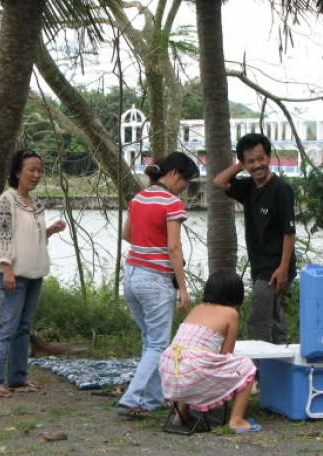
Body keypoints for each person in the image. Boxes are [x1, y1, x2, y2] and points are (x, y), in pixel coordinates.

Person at [118, 152, 197, 418]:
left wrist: (148, 248)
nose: (185, 187)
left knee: (150, 342)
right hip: (155, 280)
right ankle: (132, 400)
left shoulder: (139, 198)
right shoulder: (171, 203)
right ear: (174, 174)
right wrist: (183, 289)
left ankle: (153, 400)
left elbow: (126, 234)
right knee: (158, 344)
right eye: (186, 181)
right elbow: (174, 248)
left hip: (131, 275)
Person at [0, 149, 66, 398]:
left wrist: (50, 230)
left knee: (24, 328)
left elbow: (33, 237)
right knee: (6, 327)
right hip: (14, 273)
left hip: (35, 272)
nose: (36, 174)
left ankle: (18, 377)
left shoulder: (37, 205)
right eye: (31, 169)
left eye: (39, 170)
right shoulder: (6, 201)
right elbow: (4, 235)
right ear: (17, 171)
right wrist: (6, 267)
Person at [213, 133, 296, 344]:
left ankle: (255, 371)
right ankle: (282, 365)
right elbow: (219, 181)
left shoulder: (281, 190)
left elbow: (289, 232)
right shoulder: (248, 188)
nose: (257, 165)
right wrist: (241, 165)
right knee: (275, 319)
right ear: (243, 162)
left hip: (275, 268)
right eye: (251, 161)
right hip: (259, 267)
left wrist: (283, 268)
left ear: (269, 157)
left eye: (261, 158)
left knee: (257, 322)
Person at [159, 271, 261, 433]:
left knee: (192, 361)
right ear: (235, 293)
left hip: (170, 371)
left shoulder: (197, 308)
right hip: (191, 373)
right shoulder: (231, 313)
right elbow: (226, 354)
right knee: (247, 365)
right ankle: (236, 420)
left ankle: (180, 416)